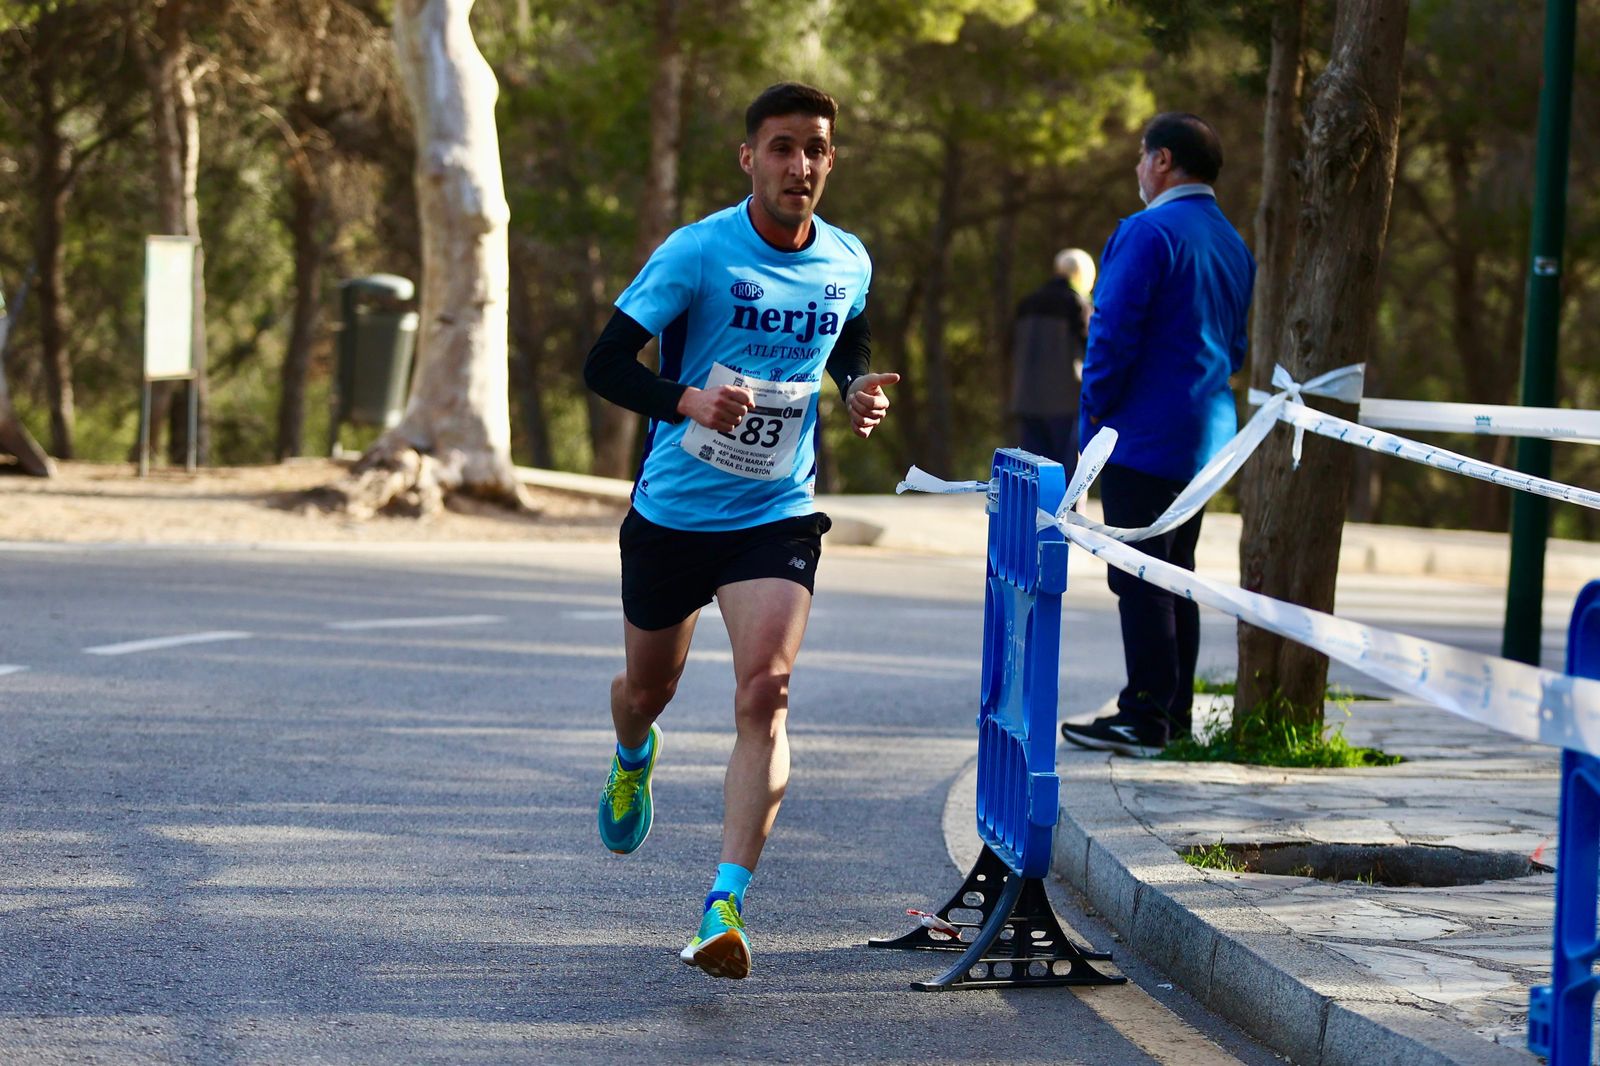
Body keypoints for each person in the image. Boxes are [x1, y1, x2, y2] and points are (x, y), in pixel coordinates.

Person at [581, 82, 898, 980]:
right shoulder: (698, 253)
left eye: (817, 150)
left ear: (831, 161)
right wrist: (685, 401)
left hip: (776, 512)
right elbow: (603, 362)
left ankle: (724, 903)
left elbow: (846, 334)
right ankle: (633, 753)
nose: (801, 166)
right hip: (674, 514)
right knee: (648, 690)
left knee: (768, 691)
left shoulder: (847, 258)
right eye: (783, 147)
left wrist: (855, 387)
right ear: (749, 157)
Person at [1059, 112, 1255, 758]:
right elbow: (1237, 346)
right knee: (1178, 573)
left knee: (1139, 576)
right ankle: (1174, 714)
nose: (1138, 169)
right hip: (1208, 436)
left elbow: (1110, 336)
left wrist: (1092, 426)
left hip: (1141, 435)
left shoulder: (1146, 232)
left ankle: (1144, 715)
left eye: (1142, 156)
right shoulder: (1233, 242)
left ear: (1164, 161)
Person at [1010, 249, 1093, 464]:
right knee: (1067, 475)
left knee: (1034, 472)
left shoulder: (1026, 304)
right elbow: (1094, 350)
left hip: (1027, 399)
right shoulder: (1077, 305)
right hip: (1065, 402)